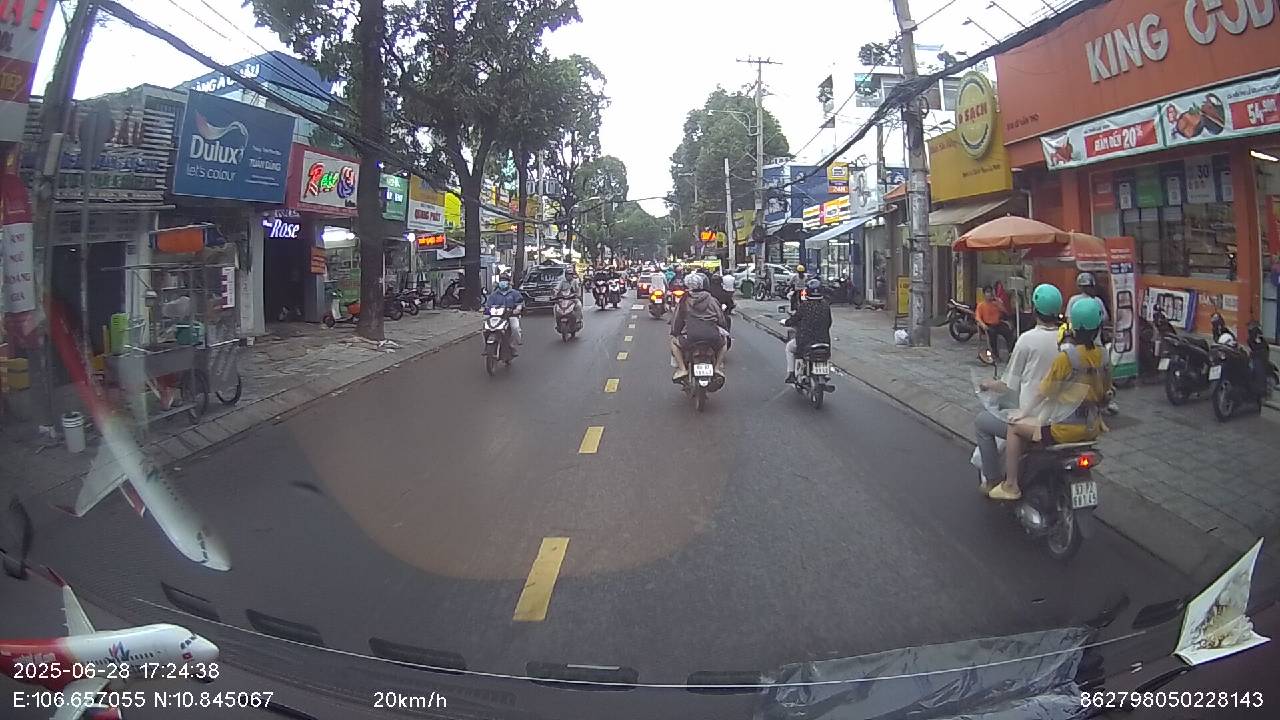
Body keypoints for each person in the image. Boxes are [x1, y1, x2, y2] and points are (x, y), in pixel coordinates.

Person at [988, 297, 1110, 502]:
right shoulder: (1104, 356)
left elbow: (1043, 392)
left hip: (1062, 430)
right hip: (1092, 429)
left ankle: (1011, 485)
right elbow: (1106, 392)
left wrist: (1023, 413)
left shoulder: (1066, 358)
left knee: (1014, 427)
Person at [973, 284, 1064, 494]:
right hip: (1061, 415)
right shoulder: (1067, 340)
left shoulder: (1027, 340)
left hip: (1031, 418)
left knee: (982, 423)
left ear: (1035, 310)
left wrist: (987, 384)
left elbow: (1008, 384)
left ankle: (993, 481)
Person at [670, 272, 728, 382]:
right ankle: (717, 368)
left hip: (691, 337)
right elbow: (721, 319)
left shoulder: (684, 300)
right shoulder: (712, 300)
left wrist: (674, 332)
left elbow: (677, 320)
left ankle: (682, 369)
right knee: (724, 342)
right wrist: (722, 328)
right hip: (712, 336)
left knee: (673, 342)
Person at [783, 278, 832, 384]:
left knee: (789, 348)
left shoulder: (805, 306)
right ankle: (824, 375)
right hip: (824, 341)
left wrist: (786, 322)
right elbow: (829, 323)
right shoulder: (825, 306)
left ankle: (791, 373)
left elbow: (794, 319)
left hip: (805, 341)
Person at [484, 272, 524, 353]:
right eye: (501, 280)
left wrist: (518, 309)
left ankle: (512, 345)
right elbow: (488, 305)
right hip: (496, 316)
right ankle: (487, 346)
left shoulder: (514, 293)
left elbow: (520, 303)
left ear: (508, 282)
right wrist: (486, 311)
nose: (503, 282)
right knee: (485, 328)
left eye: (505, 280)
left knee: (515, 328)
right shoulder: (494, 294)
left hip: (511, 315)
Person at [976, 285, 1016, 362]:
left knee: (1009, 332)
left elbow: (1005, 312)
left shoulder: (996, 303)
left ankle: (1011, 352)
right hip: (987, 325)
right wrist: (983, 325)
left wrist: (999, 304)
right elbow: (978, 317)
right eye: (987, 292)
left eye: (991, 292)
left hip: (997, 324)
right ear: (984, 294)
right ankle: (995, 354)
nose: (989, 294)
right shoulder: (981, 305)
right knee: (992, 334)